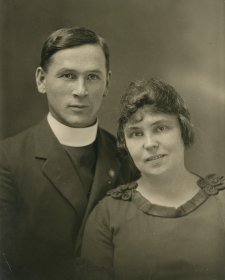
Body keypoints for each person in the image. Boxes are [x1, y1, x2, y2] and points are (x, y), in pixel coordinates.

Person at [0, 27, 137, 280]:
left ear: (107, 82)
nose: (81, 90)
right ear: (42, 80)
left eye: (93, 77)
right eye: (68, 76)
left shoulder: (127, 157)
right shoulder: (7, 159)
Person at [79, 78, 225, 280]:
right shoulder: (107, 215)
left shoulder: (221, 203)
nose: (149, 144)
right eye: (136, 133)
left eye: (161, 128)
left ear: (183, 130)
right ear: (126, 143)